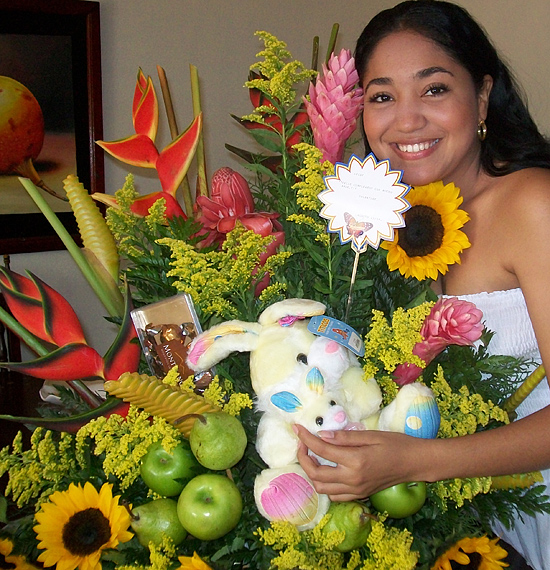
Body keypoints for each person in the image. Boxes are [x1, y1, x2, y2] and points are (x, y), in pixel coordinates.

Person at [293, 2, 550, 569]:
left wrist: (415, 461)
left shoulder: (533, 205)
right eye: (382, 97)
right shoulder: (377, 224)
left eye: (433, 89)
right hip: (452, 522)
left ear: (482, 97)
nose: (406, 121)